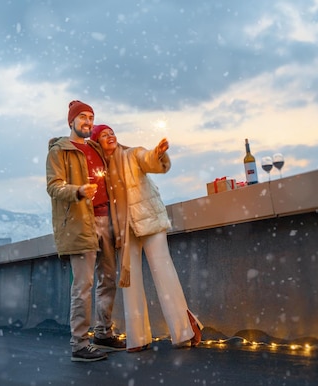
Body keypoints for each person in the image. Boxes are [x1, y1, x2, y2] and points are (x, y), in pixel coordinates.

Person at [89, 123, 202, 352]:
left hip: (149, 221)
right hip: (125, 230)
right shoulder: (101, 169)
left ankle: (183, 331)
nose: (110, 136)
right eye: (104, 135)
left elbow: (147, 159)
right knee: (130, 283)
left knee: (164, 274)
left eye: (111, 133)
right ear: (97, 142)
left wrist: (158, 153)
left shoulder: (131, 154)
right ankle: (137, 338)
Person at [46, 101, 126, 362]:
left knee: (108, 279)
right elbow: (54, 186)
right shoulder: (60, 151)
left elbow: (119, 152)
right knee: (83, 285)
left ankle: (103, 332)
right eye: (82, 117)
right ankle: (79, 344)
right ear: (71, 121)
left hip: (106, 219)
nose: (88, 122)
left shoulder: (93, 146)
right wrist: (78, 191)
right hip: (81, 222)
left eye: (91, 117)